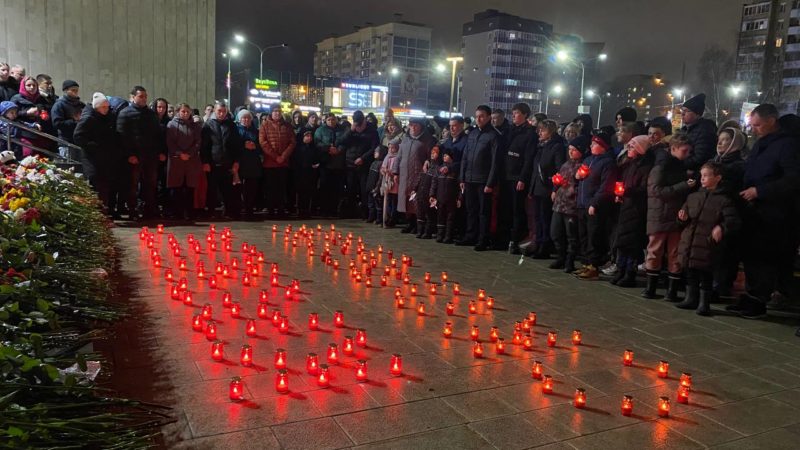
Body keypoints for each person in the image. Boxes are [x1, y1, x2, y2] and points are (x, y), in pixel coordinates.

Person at [728, 104, 800, 318]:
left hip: (775, 213)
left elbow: (793, 179)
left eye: (758, 125)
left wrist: (760, 191)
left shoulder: (788, 145)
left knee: (765, 258)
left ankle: (760, 300)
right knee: (751, 255)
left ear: (771, 120)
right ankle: (750, 296)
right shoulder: (762, 143)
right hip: (754, 210)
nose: (754, 129)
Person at [674, 162, 741, 315]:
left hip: (707, 243)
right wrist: (681, 218)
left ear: (717, 178)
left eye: (706, 176)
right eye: (701, 175)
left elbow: (733, 220)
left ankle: (704, 303)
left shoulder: (724, 200)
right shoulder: (693, 196)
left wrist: (722, 228)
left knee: (706, 274)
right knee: (690, 271)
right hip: (690, 241)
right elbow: (683, 216)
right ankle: (691, 298)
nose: (702, 179)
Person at [642, 132, 696, 300]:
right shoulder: (661, 166)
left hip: (674, 216)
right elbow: (656, 191)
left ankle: (670, 291)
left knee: (674, 252)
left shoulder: (678, 166)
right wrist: (683, 185)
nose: (687, 155)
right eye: (685, 151)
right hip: (660, 214)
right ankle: (651, 288)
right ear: (673, 148)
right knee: (655, 250)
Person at [610, 135, 654, 287]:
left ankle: (630, 272)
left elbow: (644, 189)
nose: (629, 149)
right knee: (622, 241)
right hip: (626, 206)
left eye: (632, 146)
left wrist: (627, 191)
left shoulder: (645, 168)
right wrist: (619, 194)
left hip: (637, 208)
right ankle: (620, 269)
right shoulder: (629, 165)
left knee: (632, 243)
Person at [574, 130, 618, 280]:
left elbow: (605, 187)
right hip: (582, 203)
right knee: (584, 236)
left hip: (594, 206)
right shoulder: (588, 160)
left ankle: (593, 266)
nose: (591, 145)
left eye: (595, 143)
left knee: (594, 236)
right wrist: (578, 176)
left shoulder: (608, 163)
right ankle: (586, 264)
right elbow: (579, 178)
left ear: (602, 146)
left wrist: (595, 203)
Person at [458, 105, 501, 251]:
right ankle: (471, 235)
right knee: (471, 209)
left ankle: (483, 239)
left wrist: (490, 183)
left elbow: (496, 162)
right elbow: (465, 156)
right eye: (476, 116)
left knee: (484, 212)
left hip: (483, 180)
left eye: (482, 116)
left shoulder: (494, 136)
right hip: (469, 179)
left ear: (489, 117)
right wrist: (462, 177)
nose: (478, 119)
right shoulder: (472, 134)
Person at [498, 102, 538, 254]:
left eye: (517, 113)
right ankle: (503, 238)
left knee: (517, 210)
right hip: (506, 175)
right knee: (505, 209)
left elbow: (528, 159)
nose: (513, 116)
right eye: (513, 113)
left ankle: (514, 240)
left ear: (525, 115)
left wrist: (522, 178)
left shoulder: (529, 134)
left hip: (517, 177)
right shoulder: (510, 131)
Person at [117, 86, 161, 219]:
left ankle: (149, 209)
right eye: (141, 96)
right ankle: (132, 210)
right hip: (134, 156)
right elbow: (122, 136)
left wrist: (156, 152)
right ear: (133, 97)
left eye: (145, 96)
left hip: (150, 156)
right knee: (132, 185)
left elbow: (157, 134)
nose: (144, 99)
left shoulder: (151, 114)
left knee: (150, 184)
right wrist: (129, 154)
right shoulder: (125, 113)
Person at [713, 127, 747, 298]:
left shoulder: (737, 166)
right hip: (713, 211)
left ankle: (721, 286)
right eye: (719, 138)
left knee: (726, 252)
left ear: (735, 143)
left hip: (728, 213)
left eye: (725, 139)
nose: (720, 142)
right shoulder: (716, 161)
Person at [73, 93, 119, 211]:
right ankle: (96, 211)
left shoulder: (108, 117)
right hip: (92, 157)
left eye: (107, 107)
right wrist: (91, 145)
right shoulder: (88, 118)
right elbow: (78, 136)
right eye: (103, 107)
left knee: (105, 185)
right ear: (97, 107)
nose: (106, 109)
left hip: (105, 156)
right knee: (96, 183)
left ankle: (104, 210)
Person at [529, 119, 566, 258]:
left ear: (550, 132)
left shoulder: (556, 147)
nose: (539, 132)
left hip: (546, 188)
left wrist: (554, 188)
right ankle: (538, 242)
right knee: (537, 217)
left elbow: (558, 169)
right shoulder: (541, 146)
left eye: (542, 130)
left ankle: (545, 245)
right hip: (538, 187)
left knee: (545, 218)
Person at [550, 137, 586, 273]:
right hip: (559, 204)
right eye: (570, 149)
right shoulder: (566, 164)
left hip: (572, 206)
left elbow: (580, 185)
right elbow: (559, 178)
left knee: (571, 235)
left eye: (574, 150)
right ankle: (561, 256)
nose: (571, 152)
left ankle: (569, 260)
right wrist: (555, 187)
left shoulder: (583, 166)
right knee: (555, 232)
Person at [201, 101, 242, 218]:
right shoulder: (208, 125)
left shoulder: (231, 125)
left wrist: (236, 161)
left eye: (224, 111)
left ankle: (228, 211)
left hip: (227, 163)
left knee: (228, 190)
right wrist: (205, 162)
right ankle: (211, 211)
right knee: (212, 189)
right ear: (215, 111)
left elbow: (236, 145)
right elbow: (204, 146)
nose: (222, 113)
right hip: (213, 162)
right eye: (219, 111)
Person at [397, 118, 434, 234]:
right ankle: (410, 223)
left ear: (421, 127)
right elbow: (399, 156)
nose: (412, 128)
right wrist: (395, 172)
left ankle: (419, 225)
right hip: (404, 174)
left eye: (415, 125)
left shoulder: (427, 140)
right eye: (411, 125)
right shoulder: (405, 139)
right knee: (406, 200)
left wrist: (428, 162)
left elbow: (431, 156)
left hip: (418, 175)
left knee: (417, 201)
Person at [165, 103, 202, 220]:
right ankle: (177, 213)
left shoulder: (195, 126)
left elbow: (198, 142)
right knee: (177, 188)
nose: (185, 113)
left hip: (191, 161)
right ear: (178, 112)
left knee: (189, 188)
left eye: (187, 111)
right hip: (177, 160)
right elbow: (170, 142)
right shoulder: (171, 125)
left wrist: (189, 153)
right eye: (183, 111)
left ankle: (189, 212)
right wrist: (180, 153)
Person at [340, 110, 378, 219]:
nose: (358, 126)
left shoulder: (371, 130)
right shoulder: (351, 129)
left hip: (364, 164)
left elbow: (374, 147)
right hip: (350, 164)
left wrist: (363, 158)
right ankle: (351, 211)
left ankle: (365, 212)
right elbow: (342, 142)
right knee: (351, 188)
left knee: (364, 189)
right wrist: (350, 131)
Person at [259, 105, 295, 217]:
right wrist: (275, 157)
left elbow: (292, 142)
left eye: (279, 111)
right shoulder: (265, 125)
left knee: (281, 188)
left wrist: (283, 156)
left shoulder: (287, 126)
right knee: (270, 188)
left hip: (283, 163)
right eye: (275, 111)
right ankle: (270, 209)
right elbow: (263, 143)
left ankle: (280, 209)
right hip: (269, 163)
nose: (277, 113)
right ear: (271, 113)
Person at [440, 117, 468, 241]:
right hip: (446, 179)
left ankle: (457, 232)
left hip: (458, 178)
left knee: (457, 207)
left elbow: (464, 161)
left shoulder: (466, 141)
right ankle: (445, 231)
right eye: (450, 125)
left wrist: (451, 166)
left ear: (462, 126)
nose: (452, 128)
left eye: (455, 125)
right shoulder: (447, 142)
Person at [314, 114, 347, 217]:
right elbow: (317, 143)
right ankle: (324, 209)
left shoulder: (342, 130)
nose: (331, 121)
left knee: (336, 188)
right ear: (326, 121)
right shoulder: (320, 130)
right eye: (329, 120)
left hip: (338, 163)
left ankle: (334, 209)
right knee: (325, 188)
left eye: (333, 120)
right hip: (326, 163)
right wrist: (328, 148)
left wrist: (339, 149)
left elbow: (345, 142)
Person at [10, 75, 52, 156]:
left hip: (40, 132)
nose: (32, 87)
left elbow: (47, 111)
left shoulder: (41, 99)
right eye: (28, 85)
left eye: (34, 85)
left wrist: (45, 116)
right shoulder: (16, 98)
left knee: (41, 157)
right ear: (23, 86)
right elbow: (10, 115)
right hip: (23, 133)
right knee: (28, 155)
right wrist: (27, 113)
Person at [234, 109, 262, 219]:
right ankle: (238, 209)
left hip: (253, 163)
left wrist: (255, 146)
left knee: (251, 188)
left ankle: (249, 209)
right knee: (238, 188)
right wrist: (243, 145)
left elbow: (261, 145)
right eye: (243, 118)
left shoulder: (256, 131)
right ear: (239, 119)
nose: (246, 120)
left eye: (248, 118)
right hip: (240, 162)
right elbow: (233, 145)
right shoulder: (236, 130)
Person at [679, 93, 718, 171]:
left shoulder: (705, 130)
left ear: (697, 114)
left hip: (695, 174)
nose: (682, 114)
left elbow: (700, 157)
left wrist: (679, 165)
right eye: (682, 110)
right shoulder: (683, 130)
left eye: (687, 111)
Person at [51, 80, 85, 157]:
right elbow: (57, 124)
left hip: (79, 141)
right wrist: (75, 121)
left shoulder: (81, 105)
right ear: (66, 90)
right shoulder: (59, 105)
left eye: (77, 90)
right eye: (73, 90)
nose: (75, 92)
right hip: (66, 143)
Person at [291, 129, 319, 219]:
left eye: (310, 136)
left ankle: (307, 210)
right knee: (300, 192)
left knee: (309, 192)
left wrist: (316, 164)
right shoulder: (298, 148)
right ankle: (299, 209)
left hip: (310, 174)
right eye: (307, 136)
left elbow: (317, 159)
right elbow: (295, 160)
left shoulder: (314, 148)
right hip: (300, 173)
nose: (309, 138)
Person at [416, 145, 441, 238]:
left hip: (429, 193)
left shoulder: (437, 168)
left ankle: (428, 231)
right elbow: (420, 178)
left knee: (429, 213)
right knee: (420, 212)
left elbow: (434, 182)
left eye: (434, 153)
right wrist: (416, 189)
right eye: (431, 153)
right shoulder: (428, 166)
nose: (432, 155)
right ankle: (420, 230)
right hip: (422, 191)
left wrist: (432, 194)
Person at [380, 138, 401, 227]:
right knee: (387, 201)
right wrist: (384, 170)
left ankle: (393, 219)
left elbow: (398, 169)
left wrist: (392, 173)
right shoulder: (387, 156)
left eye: (393, 148)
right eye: (389, 148)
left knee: (394, 202)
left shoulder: (398, 157)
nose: (390, 150)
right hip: (387, 181)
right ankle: (386, 218)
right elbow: (382, 167)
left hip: (395, 183)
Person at [365, 145, 387, 224]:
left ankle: (379, 219)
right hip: (370, 187)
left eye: (376, 152)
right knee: (370, 203)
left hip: (375, 188)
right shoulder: (373, 163)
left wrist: (377, 188)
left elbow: (380, 178)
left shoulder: (381, 164)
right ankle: (371, 217)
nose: (374, 153)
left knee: (378, 204)